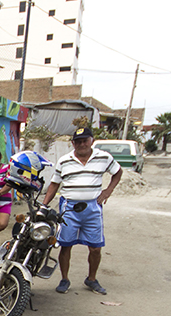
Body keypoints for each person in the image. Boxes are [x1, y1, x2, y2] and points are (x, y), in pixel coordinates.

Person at [42, 126, 122, 295]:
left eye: (85, 140)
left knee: (95, 247)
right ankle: (64, 279)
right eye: (78, 141)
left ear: (91, 141)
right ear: (73, 143)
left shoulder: (104, 157)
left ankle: (91, 279)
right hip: (69, 207)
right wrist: (44, 205)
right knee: (66, 245)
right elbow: (54, 184)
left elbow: (117, 172)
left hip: (93, 208)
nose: (82, 144)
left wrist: (108, 191)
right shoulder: (64, 160)